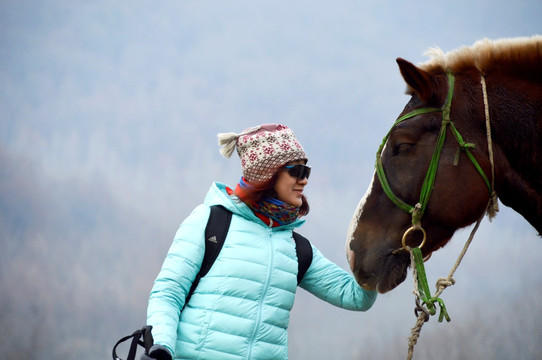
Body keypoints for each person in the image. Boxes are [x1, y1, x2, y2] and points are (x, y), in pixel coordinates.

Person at [142, 124, 377, 360]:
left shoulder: (297, 248)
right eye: (296, 171)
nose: (304, 180)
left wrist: (376, 255)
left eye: (306, 172)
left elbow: (355, 296)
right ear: (267, 174)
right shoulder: (210, 221)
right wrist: (162, 346)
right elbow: (168, 292)